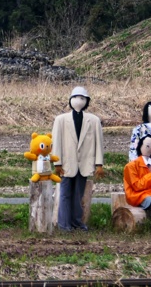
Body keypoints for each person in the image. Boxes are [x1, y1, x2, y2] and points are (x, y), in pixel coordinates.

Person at [51, 86, 105, 231]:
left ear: (87, 101)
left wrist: (99, 164)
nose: (78, 101)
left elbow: (99, 143)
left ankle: (76, 222)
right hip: (67, 164)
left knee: (78, 195)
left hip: (84, 163)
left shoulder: (93, 121)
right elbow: (56, 142)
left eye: (82, 98)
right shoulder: (61, 120)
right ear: (70, 100)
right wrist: (57, 162)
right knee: (64, 194)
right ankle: (64, 224)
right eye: (75, 98)